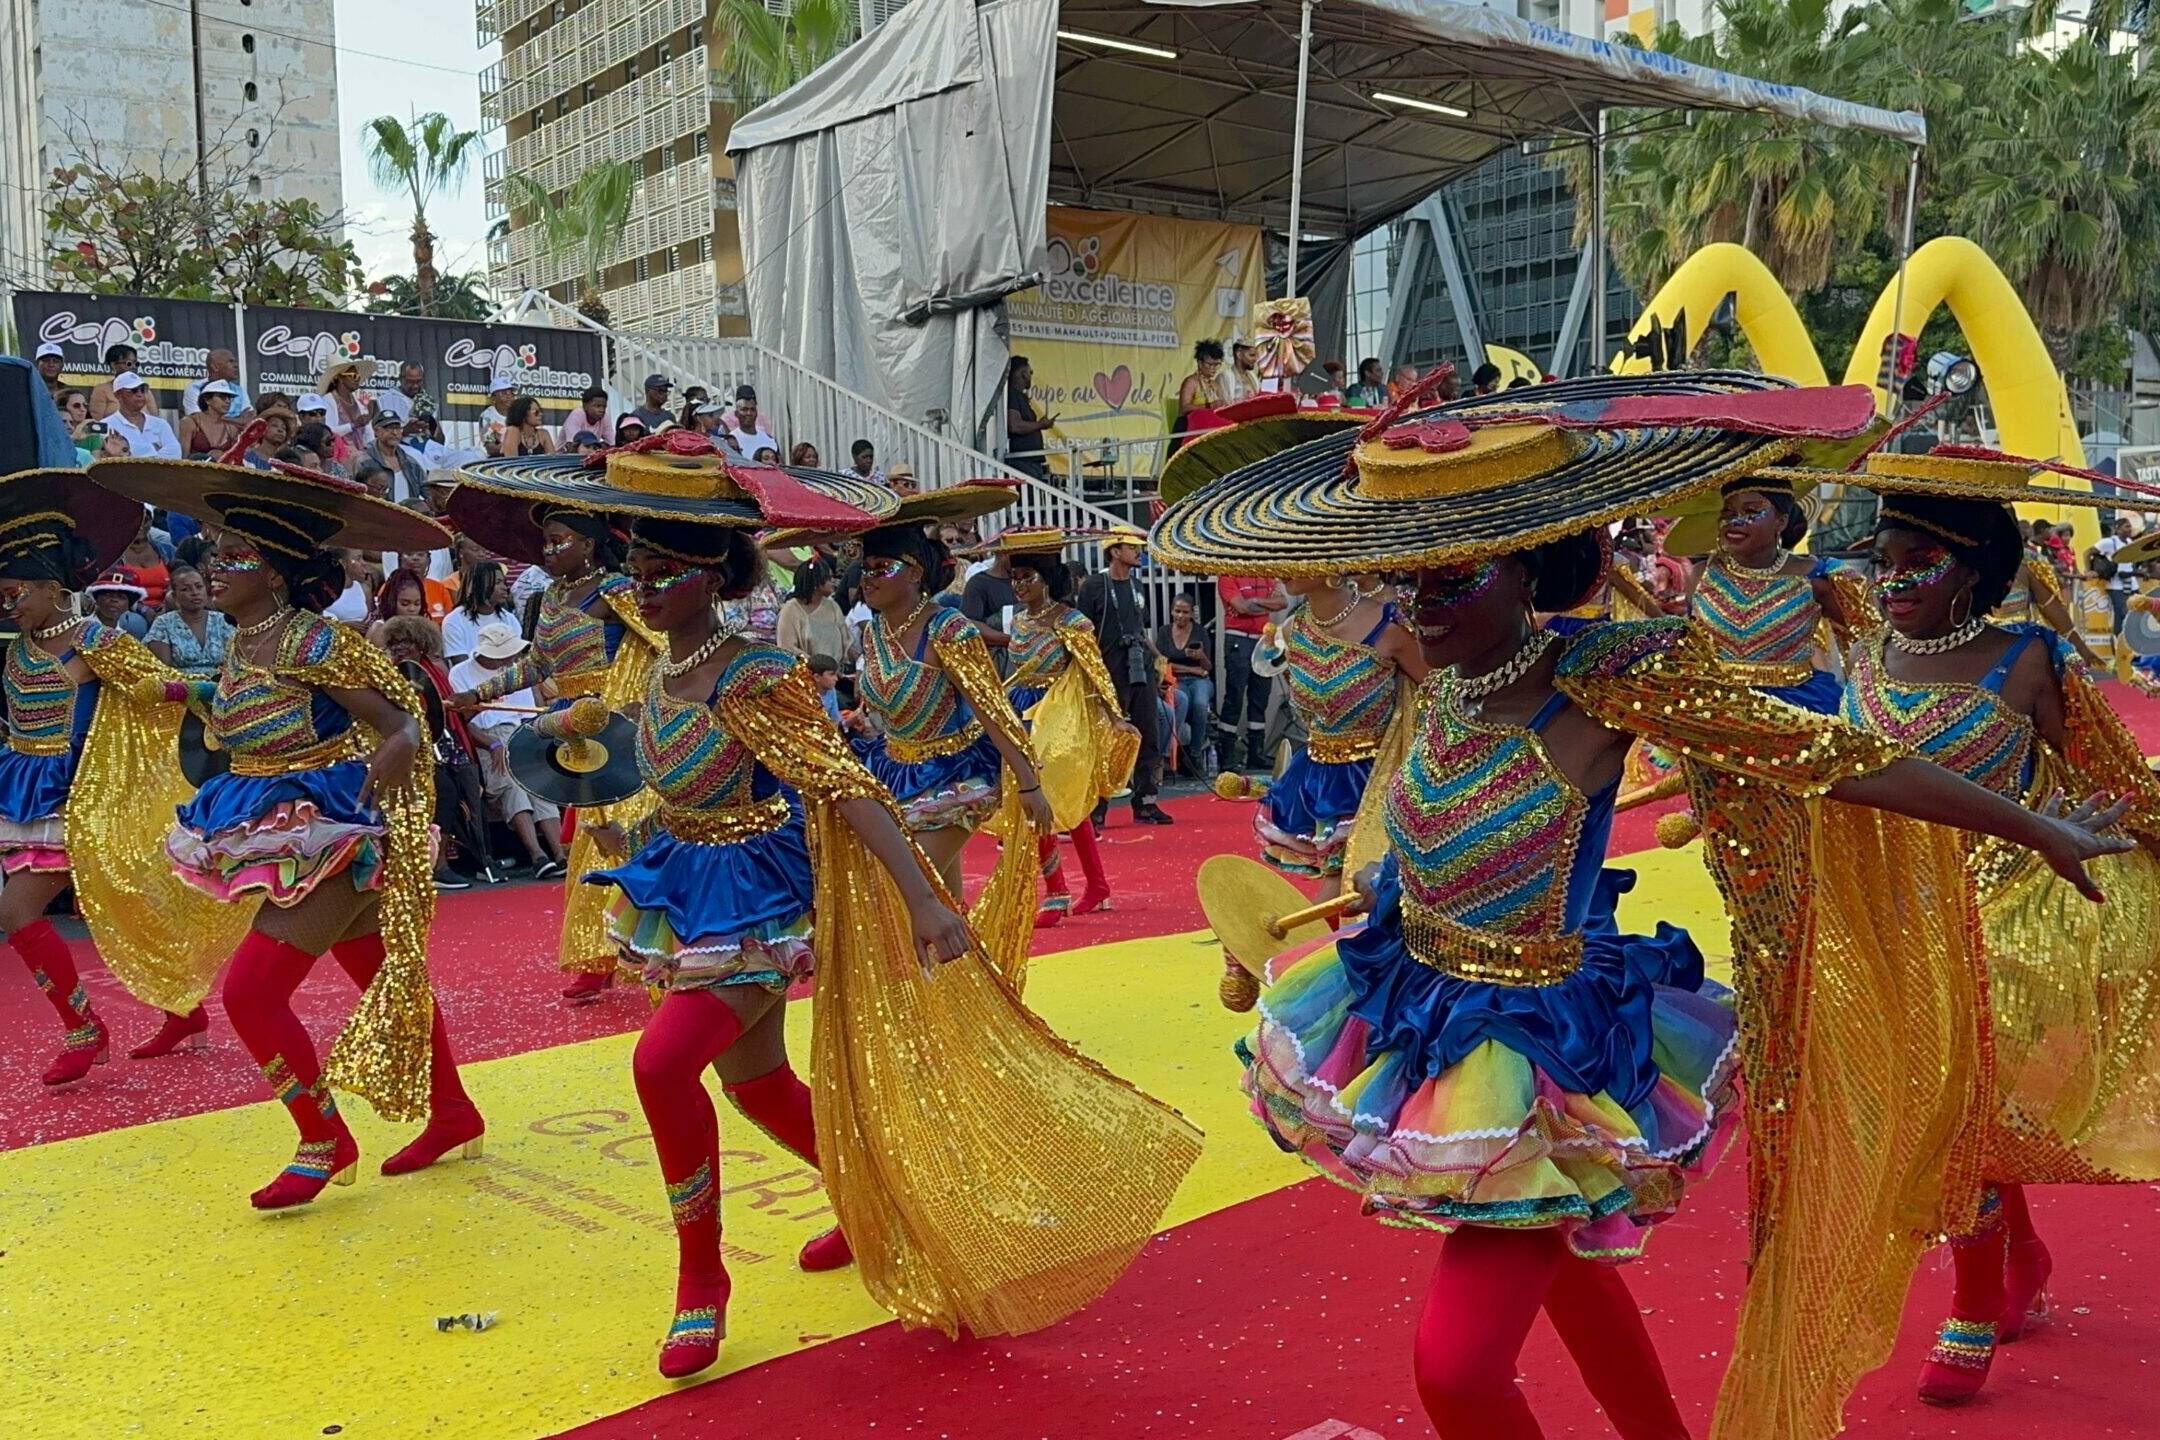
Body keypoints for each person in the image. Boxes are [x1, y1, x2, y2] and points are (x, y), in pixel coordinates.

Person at [1147, 369, 2137, 1440]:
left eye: (1453, 579)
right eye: (1408, 579)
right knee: (1569, 1273)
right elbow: (1434, 822)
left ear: (1528, 569)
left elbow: (1823, 752)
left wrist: (2036, 824)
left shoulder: (1609, 673)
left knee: (1457, 1370)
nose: (1421, 606)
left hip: (1538, 1053)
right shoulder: (1448, 670)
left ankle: (1990, 1277)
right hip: (1412, 1010)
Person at [503, 457, 1197, 1378]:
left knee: (660, 1063)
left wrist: (923, 899)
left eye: (664, 571)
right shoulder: (662, 667)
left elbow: (845, 783)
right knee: (754, 1086)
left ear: (715, 576)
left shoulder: (755, 677)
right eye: (636, 571)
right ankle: (870, 1197)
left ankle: (701, 1280)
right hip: (686, 885)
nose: (643, 588)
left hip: (765, 896)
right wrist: (571, 734)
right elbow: (652, 762)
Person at [1778, 447, 2160, 1406]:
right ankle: (2019, 1255)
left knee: (1959, 1115)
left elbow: (2107, 776)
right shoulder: (1863, 656)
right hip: (1888, 925)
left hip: (2007, 926)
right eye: (1882, 560)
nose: (1892, 580)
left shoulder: (2029, 658)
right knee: (1947, 1116)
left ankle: (1977, 1300)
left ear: (1975, 567)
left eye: (1918, 561)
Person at [87, 444, 490, 1207]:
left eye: (239, 557)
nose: (218, 568)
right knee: (384, 977)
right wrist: (160, 686)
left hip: (329, 835)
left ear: (274, 572)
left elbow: (399, 715)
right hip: (276, 825)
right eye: (220, 554)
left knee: (250, 995)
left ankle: (322, 1136)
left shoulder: (312, 638)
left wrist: (397, 754)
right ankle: (454, 1110)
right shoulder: (243, 642)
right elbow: (237, 713)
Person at [0, 445, 247, 1079]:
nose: (8, 606)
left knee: (25, 911)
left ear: (53, 586)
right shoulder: (14, 651)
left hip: (88, 793)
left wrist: (210, 694)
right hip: (26, 790)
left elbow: (160, 682)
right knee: (123, 906)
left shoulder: (94, 639)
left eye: (15, 592)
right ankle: (181, 1010)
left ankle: (88, 1030)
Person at [444, 468, 664, 1004]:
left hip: (620, 726)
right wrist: (476, 692)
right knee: (593, 838)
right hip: (573, 728)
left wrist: (641, 701)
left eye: (560, 539)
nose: (549, 548)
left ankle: (653, 947)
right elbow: (537, 663)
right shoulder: (550, 598)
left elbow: (666, 641)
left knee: (632, 831)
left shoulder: (615, 590)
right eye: (545, 541)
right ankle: (598, 954)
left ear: (589, 543)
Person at [824, 491, 1053, 982]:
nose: (868, 579)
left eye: (881, 567)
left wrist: (1029, 784)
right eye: (865, 569)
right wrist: (865, 719)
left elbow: (991, 708)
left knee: (903, 887)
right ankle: (963, 1006)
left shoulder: (949, 629)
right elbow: (886, 699)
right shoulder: (871, 634)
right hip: (892, 773)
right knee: (945, 907)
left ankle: (927, 1004)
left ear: (915, 572)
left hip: (956, 778)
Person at [1254, 573, 1425, 907]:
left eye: (1296, 555)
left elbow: (1439, 694)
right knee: (1340, 884)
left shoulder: (1388, 625)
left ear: (1331, 562)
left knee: (1350, 885)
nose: (1281, 569)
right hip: (1318, 777)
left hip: (1378, 779)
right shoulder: (1291, 631)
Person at [997, 529, 1138, 926]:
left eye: (1029, 577)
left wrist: (1115, 717)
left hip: (1060, 715)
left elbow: (1096, 671)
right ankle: (1095, 884)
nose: (1020, 585)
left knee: (1050, 797)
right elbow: (1013, 670)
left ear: (1047, 579)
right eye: (1016, 578)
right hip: (1021, 708)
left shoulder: (1073, 621)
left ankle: (1059, 891)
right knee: (1054, 801)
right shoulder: (1021, 621)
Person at [1686, 471, 1861, 713]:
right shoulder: (1701, 575)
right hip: (1713, 708)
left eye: (1751, 512)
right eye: (1728, 513)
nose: (1735, 521)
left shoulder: (1817, 579)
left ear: (1781, 521)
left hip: (1798, 710)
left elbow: (1866, 639)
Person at [377, 614, 491, 890]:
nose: (400, 647)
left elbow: (443, 708)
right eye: (395, 642)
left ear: (421, 643)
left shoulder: (434, 669)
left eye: (407, 641)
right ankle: (436, 865)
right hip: (414, 748)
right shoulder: (389, 672)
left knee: (463, 795)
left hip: (445, 742)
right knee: (443, 796)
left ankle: (468, 859)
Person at [449, 625, 567, 878]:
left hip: (520, 733)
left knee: (540, 784)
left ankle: (560, 853)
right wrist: (492, 744)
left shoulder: (515, 671)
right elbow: (461, 725)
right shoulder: (460, 674)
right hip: (487, 737)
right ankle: (537, 855)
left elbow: (526, 717)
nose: (512, 657)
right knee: (511, 786)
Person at [1077, 527, 1170, 826]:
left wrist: (1156, 658)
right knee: (1108, 738)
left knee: (1149, 733)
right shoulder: (1093, 586)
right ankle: (1097, 807)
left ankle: (1145, 802)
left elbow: (1141, 630)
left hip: (1139, 666)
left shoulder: (1138, 586)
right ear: (1115, 551)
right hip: (1109, 669)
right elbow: (1084, 635)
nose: (1138, 552)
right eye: (1132, 547)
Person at [1216, 573, 1285, 770]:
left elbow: (1282, 602)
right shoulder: (1227, 575)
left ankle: (1256, 753)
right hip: (1238, 639)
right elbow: (1241, 607)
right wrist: (1265, 604)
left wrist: (1254, 601)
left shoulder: (1264, 573)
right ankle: (1227, 756)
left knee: (1260, 696)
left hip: (1263, 640)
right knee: (1235, 696)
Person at [1154, 592, 1215, 776]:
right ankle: (1175, 754)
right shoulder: (1165, 632)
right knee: (1183, 701)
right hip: (1176, 680)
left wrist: (1201, 657)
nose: (1180, 616)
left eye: (1185, 612)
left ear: (1191, 614)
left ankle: (1195, 754)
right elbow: (1162, 664)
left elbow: (1208, 667)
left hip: (1199, 681)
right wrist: (1192, 669)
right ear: (1172, 611)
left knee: (1200, 703)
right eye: (1177, 611)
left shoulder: (1199, 632)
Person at [145, 565, 232, 676]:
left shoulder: (223, 620)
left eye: (199, 586)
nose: (195, 592)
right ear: (175, 597)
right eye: (186, 589)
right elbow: (164, 670)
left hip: (222, 686)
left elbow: (235, 663)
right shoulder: (163, 624)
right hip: (181, 687)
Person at [774, 558, 853, 665]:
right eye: (829, 578)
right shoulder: (790, 610)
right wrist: (818, 666)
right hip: (805, 675)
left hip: (835, 675)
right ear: (816, 582)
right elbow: (787, 648)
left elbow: (846, 641)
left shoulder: (833, 606)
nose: (833, 582)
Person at [441, 559, 519, 664]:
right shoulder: (454, 621)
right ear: (479, 585)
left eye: (504, 582)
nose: (504, 587)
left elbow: (517, 659)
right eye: (497, 583)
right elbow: (461, 666)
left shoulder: (509, 619)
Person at [354, 409, 429, 502]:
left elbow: (427, 491)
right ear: (376, 431)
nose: (394, 432)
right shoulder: (365, 461)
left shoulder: (410, 462)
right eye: (388, 428)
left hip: (409, 514)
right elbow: (358, 494)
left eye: (397, 428)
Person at [103, 372, 180, 459]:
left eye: (143, 390)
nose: (140, 394)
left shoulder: (160, 424)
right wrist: (153, 448)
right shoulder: (106, 425)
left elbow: (176, 453)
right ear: (118, 395)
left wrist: (129, 452)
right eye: (133, 390)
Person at [958, 543, 1017, 655]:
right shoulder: (978, 583)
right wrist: (1010, 640)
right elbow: (969, 624)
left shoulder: (1025, 582)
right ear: (1002, 553)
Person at [1004, 357, 1055, 481]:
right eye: (1030, 372)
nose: (1031, 375)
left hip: (1031, 462)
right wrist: (1040, 424)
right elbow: (1014, 426)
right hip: (1022, 463)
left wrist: (1041, 424)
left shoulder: (1021, 396)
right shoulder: (1012, 394)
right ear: (1023, 373)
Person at [2089, 514, 2138, 630]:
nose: (2129, 529)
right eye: (2126, 527)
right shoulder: (2109, 542)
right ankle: (2119, 640)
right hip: (2116, 585)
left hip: (2131, 584)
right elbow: (2088, 552)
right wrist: (2089, 570)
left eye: (2130, 526)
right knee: (2122, 614)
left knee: (2134, 613)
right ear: (2117, 528)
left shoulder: (2130, 542)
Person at [317, 357, 376, 443]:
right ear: (340, 378)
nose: (358, 379)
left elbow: (368, 432)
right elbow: (328, 431)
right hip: (338, 453)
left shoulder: (358, 401)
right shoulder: (329, 400)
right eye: (354, 376)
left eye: (358, 376)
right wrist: (353, 425)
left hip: (362, 453)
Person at [178, 379, 242, 456]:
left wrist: (223, 455)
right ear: (207, 399)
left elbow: (236, 460)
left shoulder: (231, 429)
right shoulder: (190, 422)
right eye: (222, 397)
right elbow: (183, 458)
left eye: (229, 398)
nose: (228, 401)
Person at [1175, 340, 1229, 430]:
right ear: (1200, 363)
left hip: (1209, 428)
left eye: (1216, 364)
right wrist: (1209, 406)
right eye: (1210, 364)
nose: (1214, 368)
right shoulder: (1191, 382)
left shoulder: (1215, 385)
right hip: (1189, 428)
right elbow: (1184, 409)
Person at [182, 349, 252, 418]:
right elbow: (198, 420)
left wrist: (218, 421)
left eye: (235, 362)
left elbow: (249, 418)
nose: (236, 365)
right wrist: (238, 420)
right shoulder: (194, 388)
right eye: (230, 362)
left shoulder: (239, 390)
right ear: (215, 367)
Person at [88, 342, 146, 420]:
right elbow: (96, 422)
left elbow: (154, 420)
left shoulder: (144, 390)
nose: (134, 367)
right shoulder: (102, 390)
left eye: (136, 364)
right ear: (114, 365)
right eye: (129, 363)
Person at [84, 570, 149, 639]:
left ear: (128, 605)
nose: (114, 600)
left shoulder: (131, 631)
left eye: (121, 597)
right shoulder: (82, 627)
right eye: (108, 595)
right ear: (96, 599)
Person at [726, 385, 778, 458]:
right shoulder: (731, 441)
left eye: (752, 409)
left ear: (756, 413)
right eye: (744, 409)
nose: (749, 413)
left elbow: (780, 467)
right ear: (736, 413)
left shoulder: (768, 439)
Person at [806, 652, 844, 724]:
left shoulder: (831, 690)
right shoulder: (805, 694)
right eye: (832, 674)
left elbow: (835, 719)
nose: (836, 679)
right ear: (817, 677)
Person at [1223, 335, 1262, 403]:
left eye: (1256, 355)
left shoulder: (1253, 376)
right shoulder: (1225, 377)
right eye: (1251, 355)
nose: (1255, 359)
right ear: (1239, 354)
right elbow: (1222, 408)